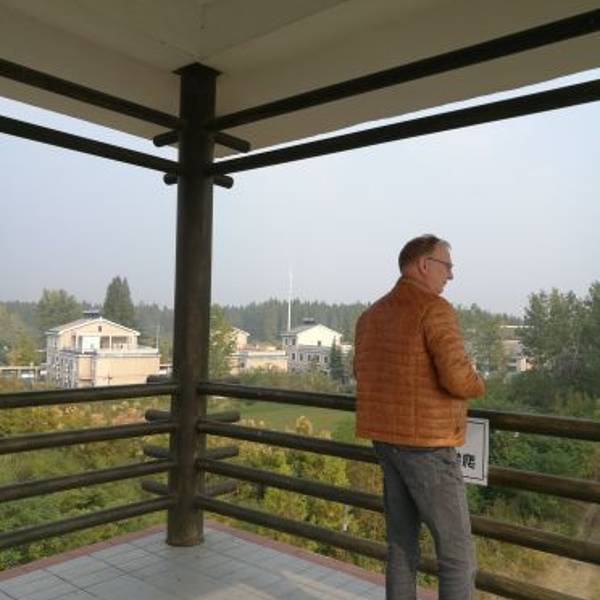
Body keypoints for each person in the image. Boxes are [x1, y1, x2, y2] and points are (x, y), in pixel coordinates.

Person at [354, 234, 485, 600]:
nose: (451, 275)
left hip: (386, 441)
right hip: (428, 445)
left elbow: (361, 372)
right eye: (448, 266)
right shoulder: (435, 309)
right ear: (424, 264)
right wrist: (479, 384)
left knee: (401, 546)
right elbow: (458, 378)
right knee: (457, 555)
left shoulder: (370, 316)